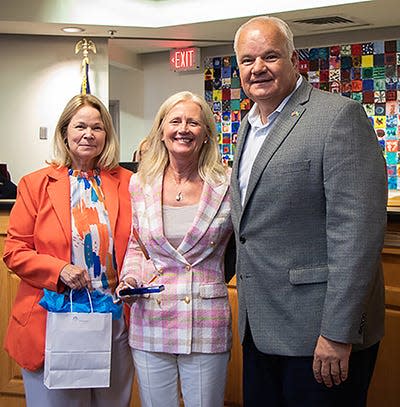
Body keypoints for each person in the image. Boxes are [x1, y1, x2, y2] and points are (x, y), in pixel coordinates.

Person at [231, 16, 387, 407]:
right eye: (247, 60)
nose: (258, 68)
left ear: (293, 59)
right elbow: (250, 228)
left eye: (270, 56)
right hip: (260, 330)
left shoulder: (338, 117)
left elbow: (357, 235)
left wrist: (338, 333)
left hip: (320, 336)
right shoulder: (248, 126)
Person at [3, 94, 134, 407]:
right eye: (80, 126)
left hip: (113, 320)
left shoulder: (129, 183)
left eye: (97, 127)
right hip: (51, 319)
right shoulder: (35, 184)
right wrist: (57, 269)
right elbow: (14, 250)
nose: (88, 134)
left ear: (107, 135)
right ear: (64, 133)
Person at [117, 91, 233, 407]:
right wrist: (130, 278)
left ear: (206, 133)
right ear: (161, 131)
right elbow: (137, 245)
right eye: (175, 121)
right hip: (152, 315)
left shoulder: (227, 183)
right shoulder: (140, 184)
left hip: (206, 318)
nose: (183, 128)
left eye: (193, 122)